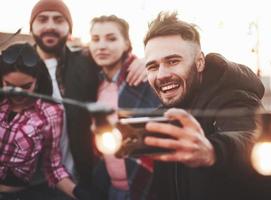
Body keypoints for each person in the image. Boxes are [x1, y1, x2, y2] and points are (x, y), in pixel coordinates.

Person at [141, 12, 271, 200]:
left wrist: (212, 150)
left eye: (173, 61)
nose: (161, 75)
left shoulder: (235, 97)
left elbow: (249, 137)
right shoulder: (162, 117)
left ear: (199, 62)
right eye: (152, 66)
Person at [29, 0, 147, 194]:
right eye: (42, 19)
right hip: (34, 185)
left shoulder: (86, 64)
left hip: (91, 180)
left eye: (58, 20)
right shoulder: (14, 69)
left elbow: (119, 61)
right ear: (31, 25)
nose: (50, 26)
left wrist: (146, 61)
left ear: (69, 27)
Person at [87, 15, 160, 200]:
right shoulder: (94, 82)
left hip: (147, 185)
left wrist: (150, 62)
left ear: (127, 44)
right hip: (111, 187)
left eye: (111, 39)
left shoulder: (142, 78)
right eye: (95, 39)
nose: (101, 46)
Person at [0, 43, 81, 200]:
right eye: (9, 86)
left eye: (26, 86)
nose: (17, 93)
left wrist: (79, 193)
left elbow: (53, 167)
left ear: (37, 81)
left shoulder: (50, 113)